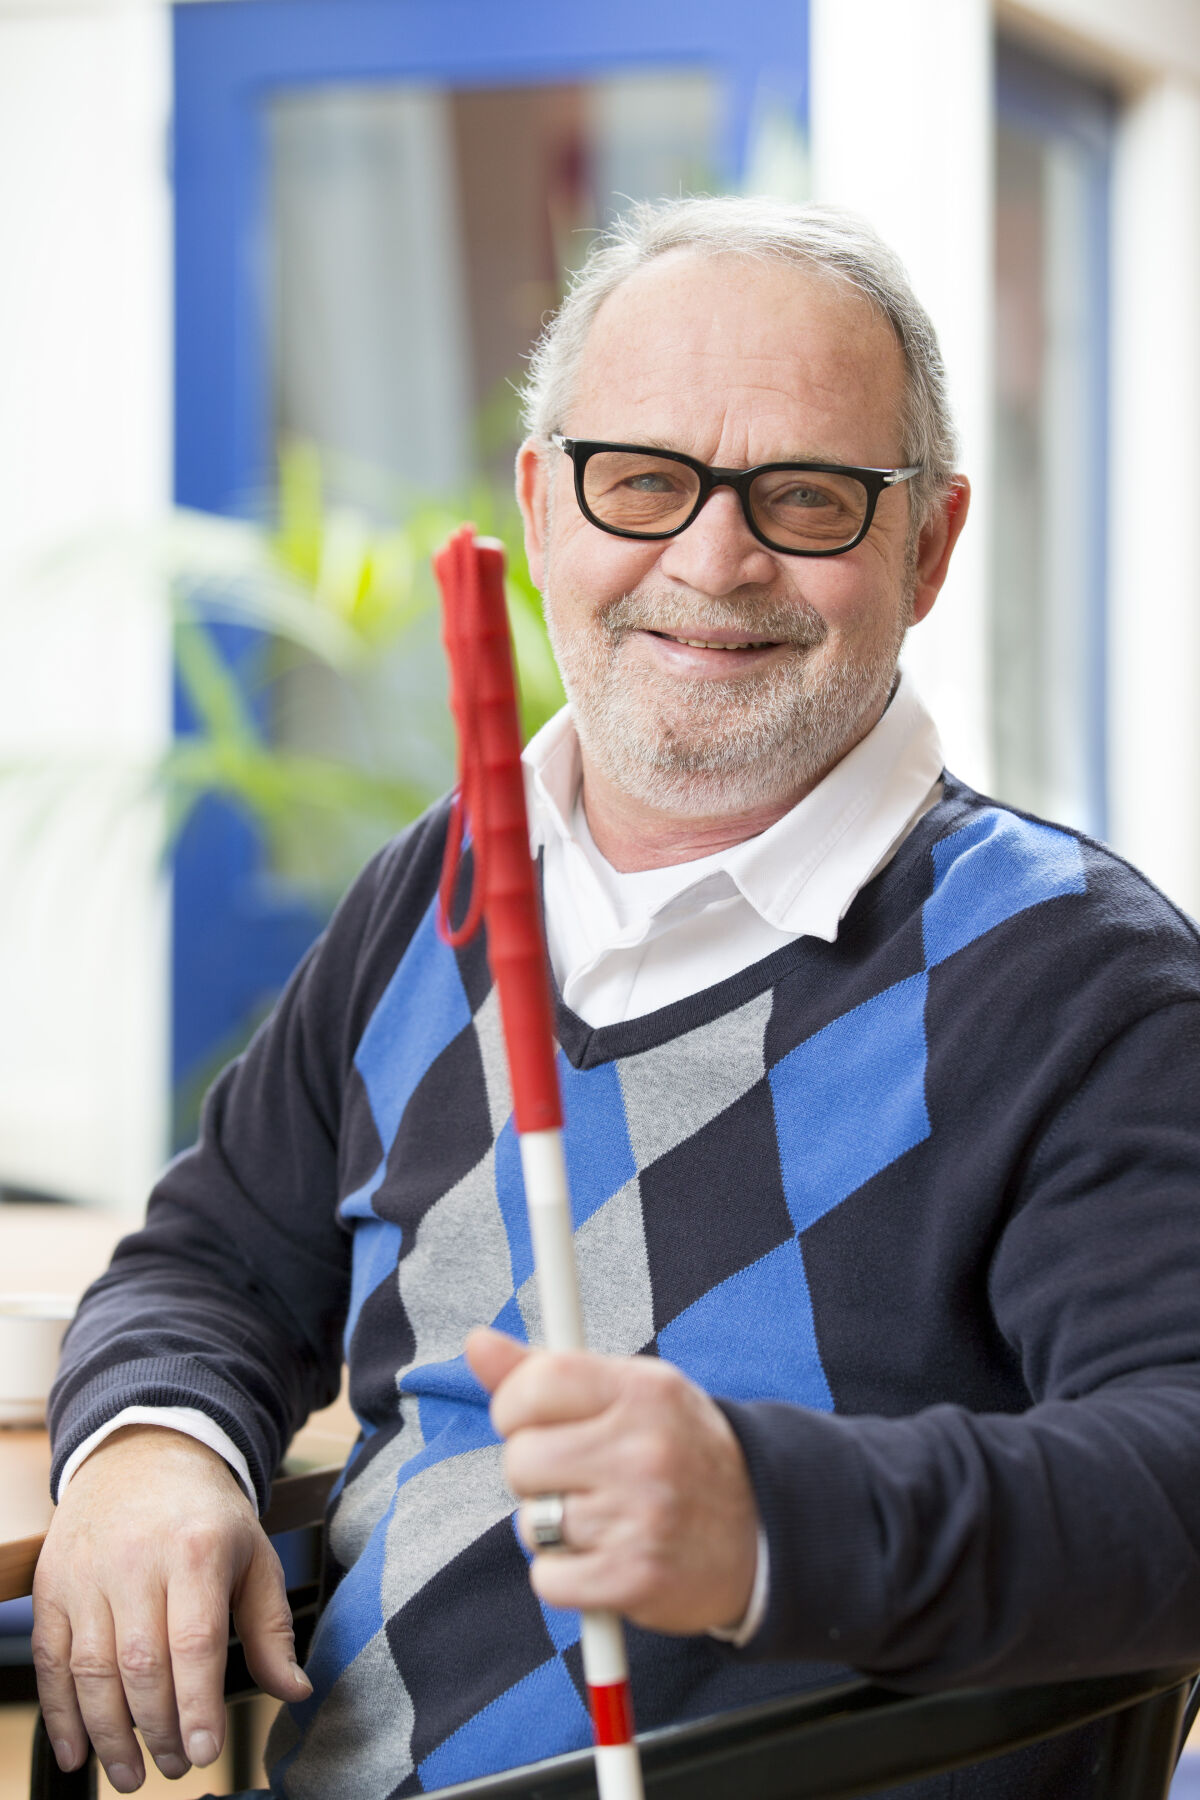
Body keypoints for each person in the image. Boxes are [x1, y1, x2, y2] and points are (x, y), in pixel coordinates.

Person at [33, 196, 1200, 1800]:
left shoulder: (1082, 983)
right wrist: (155, 1442)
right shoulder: (435, 892)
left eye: (808, 498)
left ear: (927, 548)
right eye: (643, 480)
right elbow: (215, 1261)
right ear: (540, 505)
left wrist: (766, 1519)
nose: (712, 562)